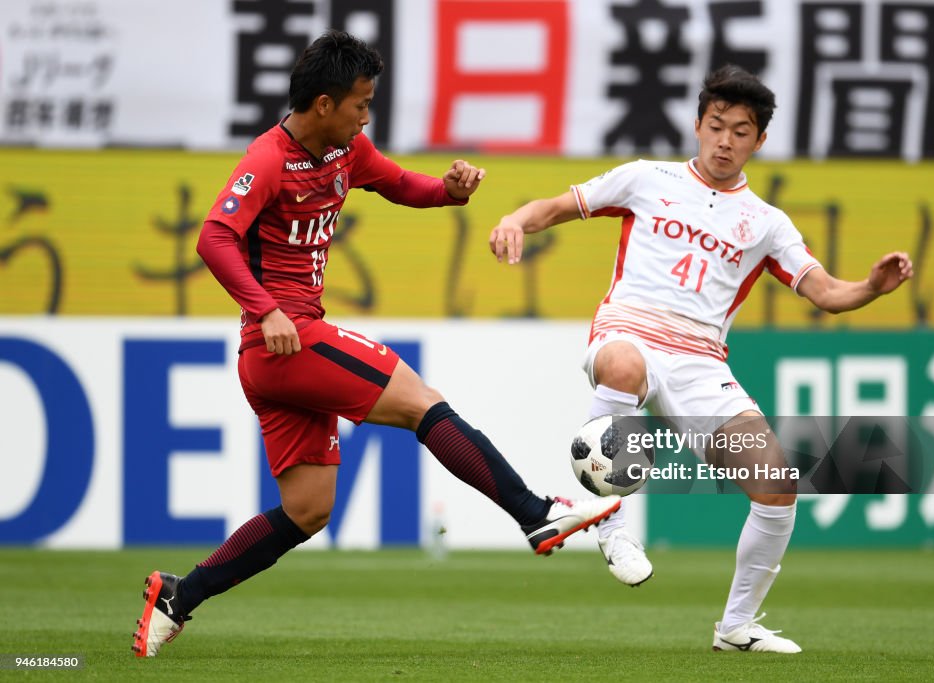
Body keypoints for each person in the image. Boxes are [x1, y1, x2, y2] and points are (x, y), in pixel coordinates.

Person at [131, 30, 621, 658]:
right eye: (361, 103)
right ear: (325, 103)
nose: (367, 115)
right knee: (422, 402)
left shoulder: (345, 150)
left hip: (281, 354)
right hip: (286, 337)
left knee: (308, 509)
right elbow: (213, 239)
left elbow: (400, 184)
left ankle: (179, 596)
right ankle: (534, 512)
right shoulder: (266, 159)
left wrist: (449, 190)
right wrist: (267, 309)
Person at [489, 64, 913, 653]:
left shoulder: (767, 223)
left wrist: (870, 287)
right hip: (629, 328)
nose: (725, 140)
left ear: (759, 141)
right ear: (696, 125)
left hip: (700, 362)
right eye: (716, 125)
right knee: (621, 367)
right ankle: (611, 527)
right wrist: (514, 220)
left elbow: (827, 293)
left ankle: (736, 627)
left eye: (741, 131)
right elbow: (556, 207)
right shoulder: (645, 178)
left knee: (777, 484)